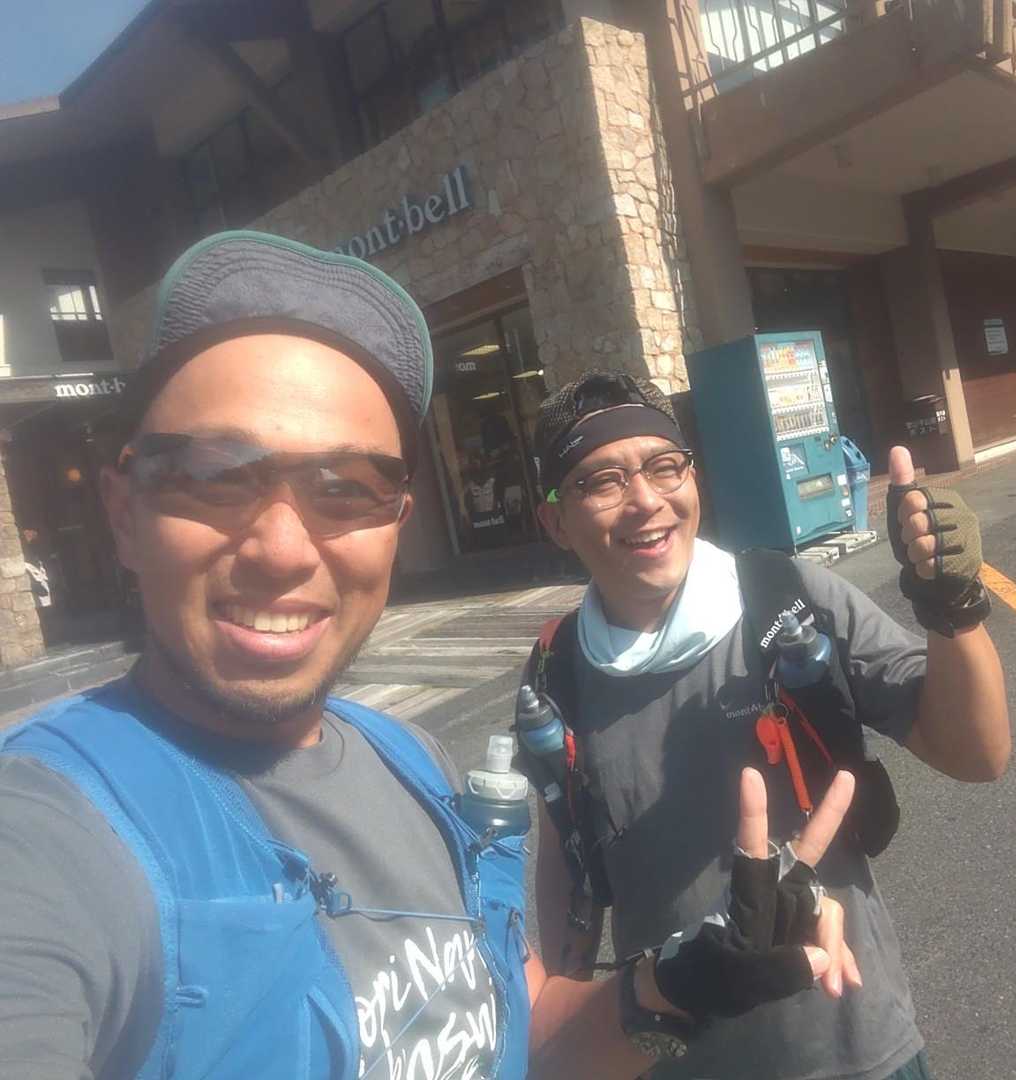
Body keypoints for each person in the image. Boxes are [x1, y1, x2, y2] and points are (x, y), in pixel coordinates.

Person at [0, 232, 859, 1080]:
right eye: (216, 476)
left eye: (345, 489)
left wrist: (682, 981)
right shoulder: (46, 834)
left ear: (395, 529)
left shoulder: (408, 761)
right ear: (124, 514)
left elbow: (520, 1031)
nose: (282, 550)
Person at [523, 369, 1010, 1080]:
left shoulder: (786, 597)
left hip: (853, 1048)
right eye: (602, 481)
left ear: (693, 477)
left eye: (665, 466)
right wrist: (570, 1034)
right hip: (675, 1060)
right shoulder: (557, 669)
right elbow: (567, 859)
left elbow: (977, 753)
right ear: (555, 522)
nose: (647, 501)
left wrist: (952, 605)